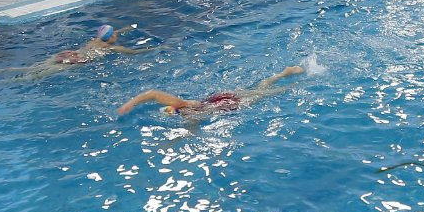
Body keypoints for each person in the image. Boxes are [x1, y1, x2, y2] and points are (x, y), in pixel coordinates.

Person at [118, 66, 305, 120]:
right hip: (220, 98)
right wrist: (130, 103)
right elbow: (152, 94)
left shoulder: (186, 110)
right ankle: (282, 74)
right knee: (259, 89)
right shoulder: (185, 106)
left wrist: (130, 104)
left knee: (265, 93)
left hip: (228, 104)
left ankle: (291, 84)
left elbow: (152, 94)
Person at [0, 23, 146, 81]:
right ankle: (6, 82)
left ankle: (4, 70)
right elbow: (133, 52)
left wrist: (127, 29)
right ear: (110, 38)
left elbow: (112, 32)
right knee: (38, 75)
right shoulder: (110, 48)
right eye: (115, 34)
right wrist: (154, 49)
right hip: (74, 61)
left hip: (68, 54)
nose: (117, 35)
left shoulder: (97, 39)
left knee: (35, 67)